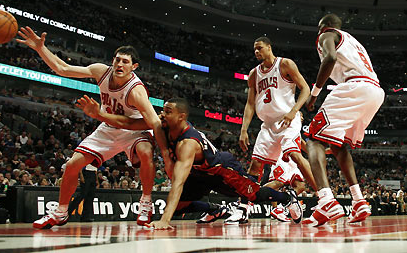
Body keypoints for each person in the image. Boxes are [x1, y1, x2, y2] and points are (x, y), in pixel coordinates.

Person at [16, 26, 172, 229]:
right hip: (107, 128)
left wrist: (167, 153)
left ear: (134, 66)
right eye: (117, 59)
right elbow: (62, 69)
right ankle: (61, 212)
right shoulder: (101, 71)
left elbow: (154, 122)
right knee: (72, 165)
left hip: (134, 130)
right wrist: (40, 48)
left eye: (125, 61)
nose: (119, 64)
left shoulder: (136, 91)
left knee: (145, 152)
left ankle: (145, 201)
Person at [76, 96, 303, 229]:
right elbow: (128, 123)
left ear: (181, 117)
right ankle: (218, 210)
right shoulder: (162, 125)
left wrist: (164, 221)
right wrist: (99, 115)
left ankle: (287, 198)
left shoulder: (188, 144)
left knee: (255, 196)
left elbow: (177, 182)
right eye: (163, 110)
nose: (162, 114)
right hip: (200, 174)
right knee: (180, 207)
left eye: (167, 111)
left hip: (222, 170)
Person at [304, 14, 385, 226]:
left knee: (313, 139)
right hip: (374, 91)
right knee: (338, 146)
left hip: (355, 87)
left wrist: (314, 93)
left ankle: (326, 201)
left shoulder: (327, 34)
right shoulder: (354, 41)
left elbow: (329, 58)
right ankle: (359, 201)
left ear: (325, 26)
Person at [239, 37, 317, 191]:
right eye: (254, 49)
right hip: (268, 125)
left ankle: (324, 197)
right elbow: (250, 104)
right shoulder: (254, 74)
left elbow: (306, 88)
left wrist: (293, 111)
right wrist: (243, 129)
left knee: (295, 155)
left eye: (259, 48)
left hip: (287, 120)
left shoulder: (285, 64)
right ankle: (244, 206)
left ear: (269, 47)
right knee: (255, 165)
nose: (256, 51)